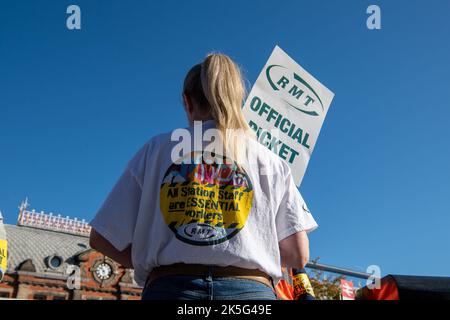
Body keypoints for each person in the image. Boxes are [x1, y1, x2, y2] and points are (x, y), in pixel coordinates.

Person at [89, 53, 318, 300]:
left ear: (187, 102)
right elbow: (298, 253)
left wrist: (150, 254)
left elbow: (102, 237)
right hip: (250, 295)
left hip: (170, 290)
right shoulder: (270, 160)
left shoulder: (156, 149)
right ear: (237, 99)